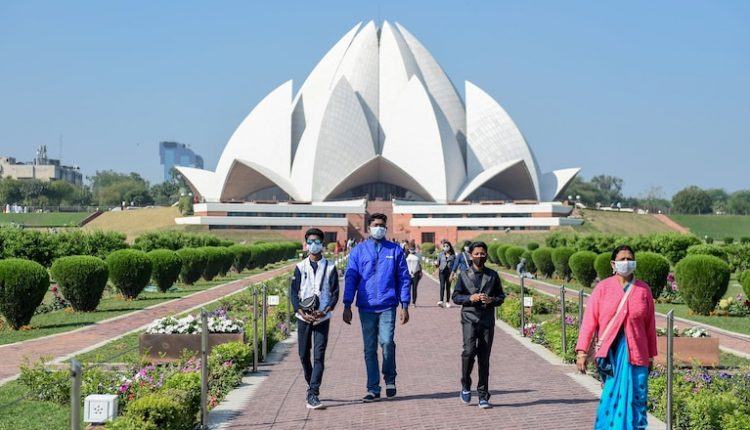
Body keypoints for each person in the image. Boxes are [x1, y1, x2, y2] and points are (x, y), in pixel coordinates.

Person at [575, 245, 657, 430]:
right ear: (613, 264)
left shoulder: (643, 290)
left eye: (630, 259)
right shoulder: (603, 288)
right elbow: (589, 322)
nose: (626, 262)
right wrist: (581, 352)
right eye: (622, 259)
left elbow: (650, 326)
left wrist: (651, 356)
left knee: (637, 400)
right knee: (611, 399)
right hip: (611, 356)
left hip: (638, 356)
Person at [343, 213, 411, 402]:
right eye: (375, 225)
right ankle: (373, 388)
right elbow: (351, 278)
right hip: (366, 307)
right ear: (369, 227)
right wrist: (347, 304)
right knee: (369, 348)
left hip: (387, 305)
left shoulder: (395, 250)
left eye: (382, 225)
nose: (379, 228)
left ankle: (390, 378)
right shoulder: (358, 251)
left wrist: (405, 304)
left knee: (387, 342)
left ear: (386, 228)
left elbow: (404, 278)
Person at [290, 228, 340, 409]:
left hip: (322, 317)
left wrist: (325, 311)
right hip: (303, 317)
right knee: (303, 354)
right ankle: (311, 382)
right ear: (305, 244)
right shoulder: (300, 267)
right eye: (310, 242)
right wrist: (300, 311)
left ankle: (313, 393)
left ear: (322, 244)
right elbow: (293, 293)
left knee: (319, 355)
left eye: (317, 242)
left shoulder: (330, 267)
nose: (313, 245)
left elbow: (335, 293)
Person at [452, 241, 505, 409]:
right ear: (470, 256)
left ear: (486, 255)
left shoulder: (493, 275)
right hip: (469, 317)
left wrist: (491, 300)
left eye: (482, 254)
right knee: (469, 352)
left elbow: (501, 297)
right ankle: (465, 384)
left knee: (484, 357)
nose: (480, 257)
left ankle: (483, 394)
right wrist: (470, 298)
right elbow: (455, 297)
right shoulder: (464, 274)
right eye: (476, 254)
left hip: (487, 319)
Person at [434, 241, 456, 307]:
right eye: (444, 246)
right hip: (442, 272)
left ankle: (447, 302)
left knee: (448, 287)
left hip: (449, 272)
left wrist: (454, 273)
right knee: (442, 286)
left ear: (449, 247)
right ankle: (441, 301)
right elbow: (437, 263)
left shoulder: (453, 256)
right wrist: (436, 264)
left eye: (447, 246)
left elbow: (455, 265)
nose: (445, 247)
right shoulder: (441, 254)